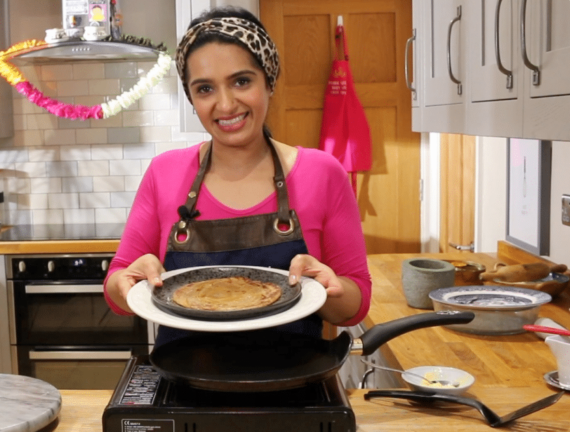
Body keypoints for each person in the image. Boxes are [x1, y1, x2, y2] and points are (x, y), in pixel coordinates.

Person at [104, 6, 371, 346]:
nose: (226, 104)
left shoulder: (322, 173)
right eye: (205, 89)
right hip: (185, 386)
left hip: (293, 388)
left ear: (268, 82)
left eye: (241, 81)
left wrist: (328, 285)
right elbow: (117, 292)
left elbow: (355, 306)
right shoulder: (164, 173)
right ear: (191, 97)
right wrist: (126, 279)